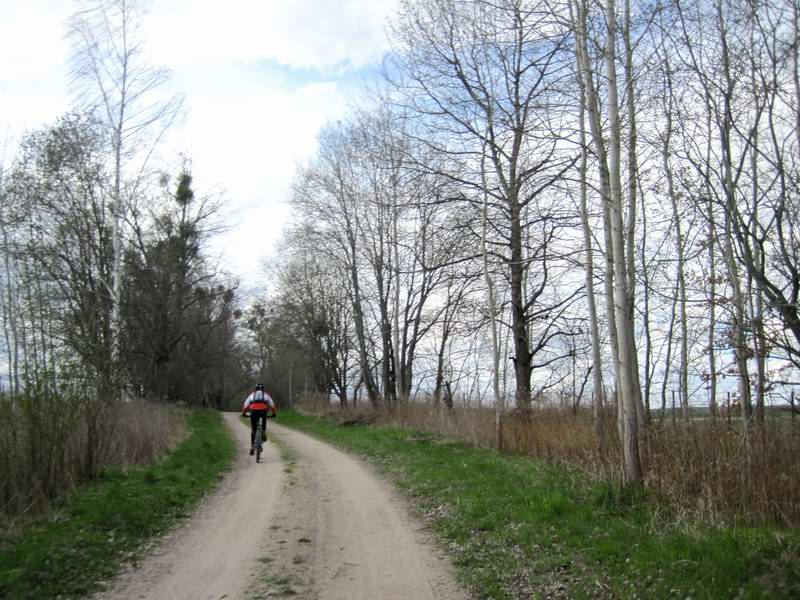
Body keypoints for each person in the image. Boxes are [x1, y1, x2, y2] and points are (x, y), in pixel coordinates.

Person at [241, 383, 277, 455]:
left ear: (255, 389)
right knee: (263, 423)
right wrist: (274, 413)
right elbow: (272, 405)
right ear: (263, 389)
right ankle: (263, 431)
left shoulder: (252, 395)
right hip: (263, 411)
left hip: (253, 412)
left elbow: (246, 404)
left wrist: (244, 413)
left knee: (253, 430)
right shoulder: (266, 395)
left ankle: (252, 447)